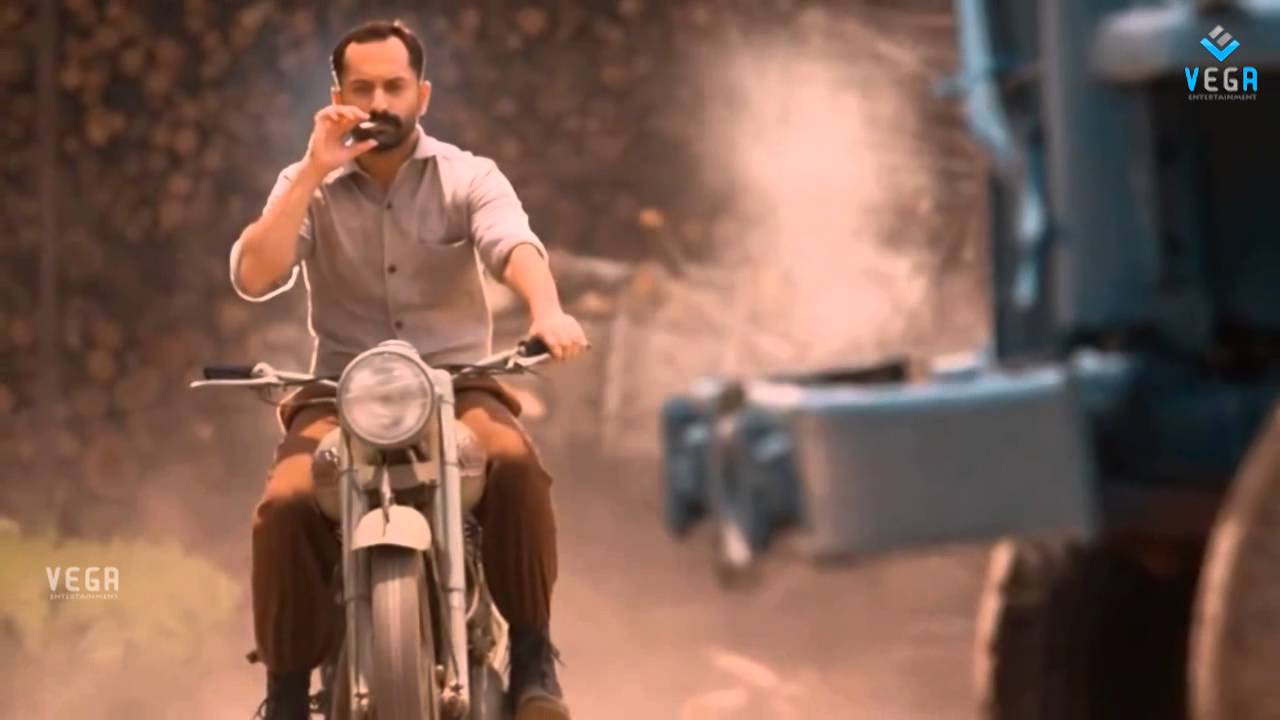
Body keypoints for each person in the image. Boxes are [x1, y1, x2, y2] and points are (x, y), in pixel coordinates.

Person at [229, 18, 586, 720]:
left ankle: (533, 656)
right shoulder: (307, 183)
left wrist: (547, 312)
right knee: (285, 504)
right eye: (362, 88)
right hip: (341, 391)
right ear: (337, 97)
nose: (379, 101)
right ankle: (285, 692)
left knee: (516, 465)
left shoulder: (469, 175)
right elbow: (253, 275)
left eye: (394, 86)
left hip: (457, 383)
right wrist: (312, 170)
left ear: (422, 94)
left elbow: (512, 243)